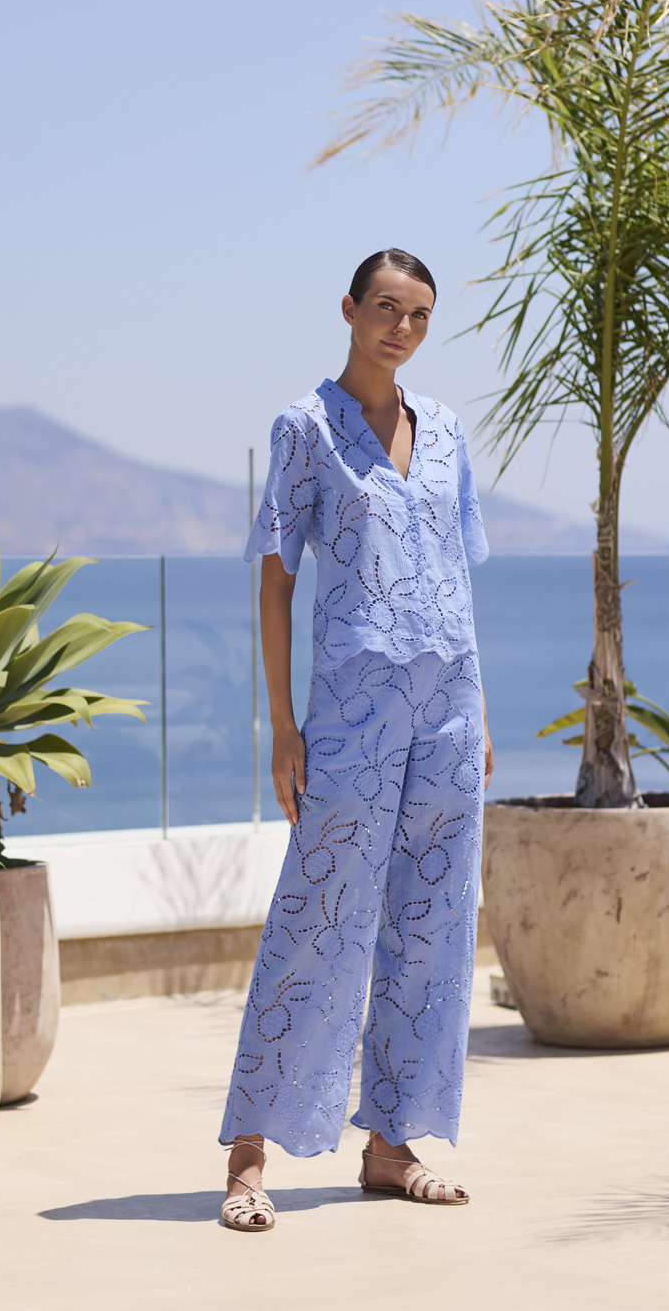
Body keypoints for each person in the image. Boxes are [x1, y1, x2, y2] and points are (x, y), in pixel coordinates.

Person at [219, 248, 494, 1233]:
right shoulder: (305, 428)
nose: (400, 329)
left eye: (417, 315)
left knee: (432, 923)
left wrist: (480, 711)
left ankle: (392, 1145)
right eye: (385, 308)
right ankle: (250, 1155)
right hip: (348, 714)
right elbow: (276, 579)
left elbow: (456, 574)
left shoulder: (447, 429)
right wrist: (282, 725)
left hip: (448, 711)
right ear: (348, 309)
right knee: (316, 920)